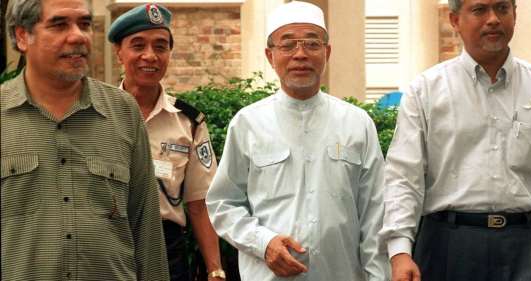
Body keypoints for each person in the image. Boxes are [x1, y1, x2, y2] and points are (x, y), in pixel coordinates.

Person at [380, 0, 531, 280]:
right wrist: (400, 251)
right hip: (449, 248)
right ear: (455, 20)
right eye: (479, 10)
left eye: (502, 8)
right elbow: (404, 177)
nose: (493, 19)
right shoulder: (426, 91)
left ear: (515, 13)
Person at [205, 1, 390, 280]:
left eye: (312, 44)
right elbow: (223, 203)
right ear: (270, 55)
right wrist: (263, 242)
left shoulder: (356, 123)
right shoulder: (248, 124)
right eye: (288, 45)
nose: (300, 54)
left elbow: (375, 212)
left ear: (327, 52)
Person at [1, 0, 168, 280]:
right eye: (59, 24)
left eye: (85, 24)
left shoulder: (123, 111)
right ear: (22, 36)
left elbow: (146, 225)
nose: (78, 36)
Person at [107, 3, 225, 281]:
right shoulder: (96, 115)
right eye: (138, 45)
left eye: (160, 47)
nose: (150, 56)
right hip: (107, 245)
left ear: (169, 53)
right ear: (119, 53)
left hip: (166, 251)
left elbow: (199, 203)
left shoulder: (188, 122)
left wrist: (215, 269)